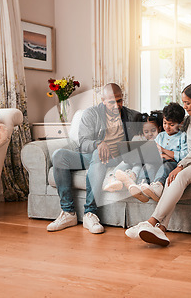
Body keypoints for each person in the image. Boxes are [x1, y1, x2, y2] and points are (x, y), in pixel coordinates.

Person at [125, 83, 191, 246]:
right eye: (184, 102)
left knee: (181, 175)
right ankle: (162, 229)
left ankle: (150, 222)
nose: (185, 106)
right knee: (171, 178)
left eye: (188, 103)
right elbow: (175, 134)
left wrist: (181, 165)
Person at [46, 83, 139, 234]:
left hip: (115, 158)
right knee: (59, 156)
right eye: (111, 102)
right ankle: (68, 213)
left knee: (98, 154)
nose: (116, 106)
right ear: (102, 100)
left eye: (120, 100)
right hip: (90, 154)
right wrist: (98, 143)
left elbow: (152, 127)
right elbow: (83, 143)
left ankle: (90, 212)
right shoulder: (91, 114)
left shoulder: (132, 116)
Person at [127, 102, 188, 203]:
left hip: (172, 163)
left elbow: (184, 156)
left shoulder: (182, 136)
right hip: (158, 160)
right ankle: (141, 185)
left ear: (180, 123)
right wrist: (162, 155)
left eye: (171, 125)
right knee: (148, 165)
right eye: (165, 123)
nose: (167, 127)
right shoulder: (160, 136)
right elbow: (154, 152)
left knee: (166, 166)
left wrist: (164, 151)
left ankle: (157, 186)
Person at [103, 111, 163, 192]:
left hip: (147, 163)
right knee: (126, 162)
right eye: (146, 132)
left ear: (159, 129)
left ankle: (131, 176)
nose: (150, 134)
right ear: (142, 131)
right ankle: (113, 178)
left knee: (138, 164)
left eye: (153, 130)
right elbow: (131, 153)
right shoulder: (139, 138)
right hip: (136, 161)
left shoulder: (160, 139)